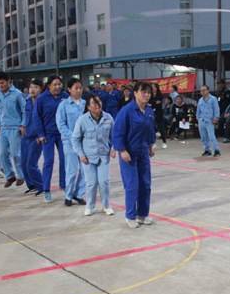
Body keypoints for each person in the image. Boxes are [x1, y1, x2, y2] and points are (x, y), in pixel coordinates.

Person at [112, 82, 156, 228]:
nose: (146, 95)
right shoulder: (126, 111)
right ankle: (130, 215)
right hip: (129, 154)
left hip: (143, 153)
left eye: (148, 92)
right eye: (143, 92)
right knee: (132, 185)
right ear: (135, 93)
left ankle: (142, 214)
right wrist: (121, 150)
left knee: (145, 184)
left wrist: (151, 146)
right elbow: (117, 132)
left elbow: (150, 130)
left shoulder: (149, 111)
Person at [72, 94, 116, 216]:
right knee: (91, 183)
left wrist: (113, 148)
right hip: (88, 158)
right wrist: (81, 154)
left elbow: (115, 135)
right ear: (88, 106)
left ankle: (106, 205)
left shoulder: (108, 118)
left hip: (103, 156)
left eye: (99, 102)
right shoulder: (82, 120)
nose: (98, 105)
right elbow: (75, 139)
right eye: (94, 103)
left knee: (104, 182)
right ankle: (89, 206)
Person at [33, 74, 69, 203]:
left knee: (64, 159)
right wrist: (40, 134)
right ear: (49, 85)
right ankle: (46, 189)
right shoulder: (41, 99)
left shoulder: (65, 96)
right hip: (47, 134)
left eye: (59, 84)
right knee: (48, 161)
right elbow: (36, 117)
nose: (57, 87)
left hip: (62, 134)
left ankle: (63, 184)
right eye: (55, 84)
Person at [56, 78, 87, 206]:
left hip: (85, 142)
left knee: (85, 170)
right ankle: (68, 195)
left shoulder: (86, 104)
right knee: (71, 170)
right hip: (70, 142)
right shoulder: (63, 105)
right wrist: (73, 136)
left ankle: (79, 194)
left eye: (80, 88)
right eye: (76, 88)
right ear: (69, 89)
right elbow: (61, 124)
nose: (79, 90)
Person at [0, 72, 26, 187]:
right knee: (2, 153)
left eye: (2, 83)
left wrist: (23, 125)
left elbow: (24, 111)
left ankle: (21, 175)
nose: (0, 85)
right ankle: (10, 176)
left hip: (15, 128)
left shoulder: (17, 94)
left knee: (15, 153)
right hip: (3, 128)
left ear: (8, 81)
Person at [20, 79, 45, 196]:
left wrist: (41, 135)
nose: (32, 89)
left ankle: (42, 186)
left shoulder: (42, 103)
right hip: (27, 136)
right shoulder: (28, 102)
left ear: (41, 89)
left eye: (35, 87)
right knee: (23, 163)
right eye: (31, 87)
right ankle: (32, 186)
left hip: (37, 137)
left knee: (31, 163)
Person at [196, 85, 221, 157]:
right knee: (203, 137)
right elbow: (198, 110)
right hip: (202, 120)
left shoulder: (213, 99)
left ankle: (217, 150)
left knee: (211, 137)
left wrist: (216, 117)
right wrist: (198, 118)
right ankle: (207, 150)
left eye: (204, 90)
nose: (202, 92)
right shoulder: (200, 100)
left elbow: (216, 109)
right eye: (201, 90)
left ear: (208, 90)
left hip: (210, 121)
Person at [150, 83, 167, 149]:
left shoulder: (160, 96)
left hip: (159, 113)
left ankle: (164, 142)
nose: (153, 88)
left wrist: (152, 104)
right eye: (152, 87)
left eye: (154, 87)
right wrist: (154, 104)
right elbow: (149, 104)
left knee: (161, 128)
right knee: (152, 128)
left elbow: (157, 104)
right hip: (151, 113)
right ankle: (153, 143)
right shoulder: (150, 96)